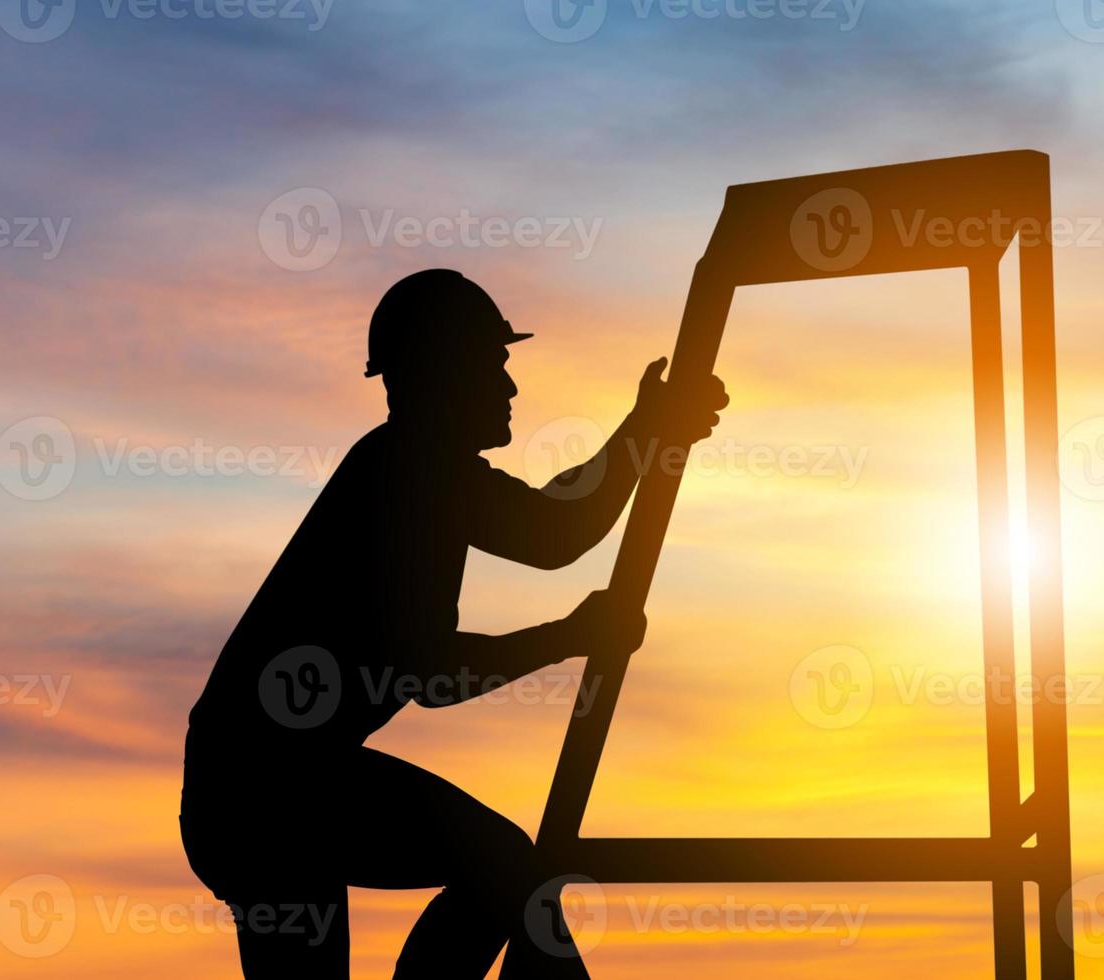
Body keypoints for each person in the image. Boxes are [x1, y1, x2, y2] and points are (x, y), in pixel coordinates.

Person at [181, 269, 728, 979]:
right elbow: (431, 674)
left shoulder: (423, 467)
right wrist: (566, 637)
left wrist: (644, 430)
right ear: (442, 373)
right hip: (270, 791)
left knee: (501, 868)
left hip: (269, 786)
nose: (509, 389)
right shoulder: (408, 474)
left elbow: (553, 531)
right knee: (503, 867)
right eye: (493, 366)